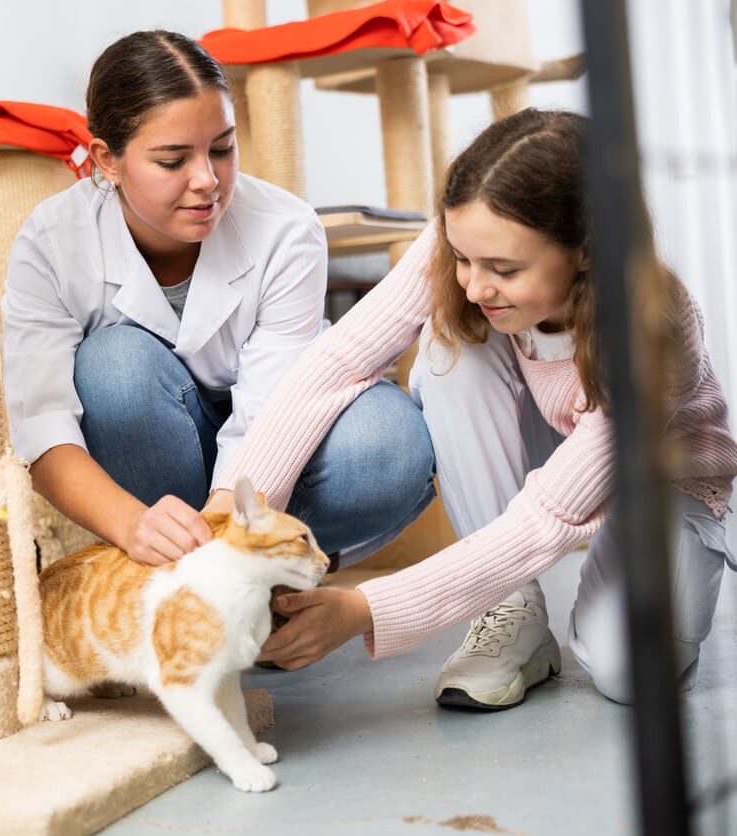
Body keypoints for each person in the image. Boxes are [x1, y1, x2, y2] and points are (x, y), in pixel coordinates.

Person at [208, 107, 737, 708]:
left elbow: (545, 517)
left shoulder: (654, 333)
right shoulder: (475, 240)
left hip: (661, 484)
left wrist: (362, 609)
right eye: (462, 258)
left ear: (587, 250)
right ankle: (510, 607)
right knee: (447, 346)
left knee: (627, 673)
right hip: (556, 446)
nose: (474, 284)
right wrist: (234, 507)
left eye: (504, 269)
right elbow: (341, 360)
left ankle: (668, 564)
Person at [2, 30, 435, 568]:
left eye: (223, 149)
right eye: (172, 160)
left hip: (280, 446)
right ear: (106, 161)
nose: (207, 180)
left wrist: (232, 529)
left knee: (388, 443)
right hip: (160, 466)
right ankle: (199, 570)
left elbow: (274, 413)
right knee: (113, 367)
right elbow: (41, 427)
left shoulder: (286, 229)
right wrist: (131, 524)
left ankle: (270, 573)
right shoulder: (52, 241)